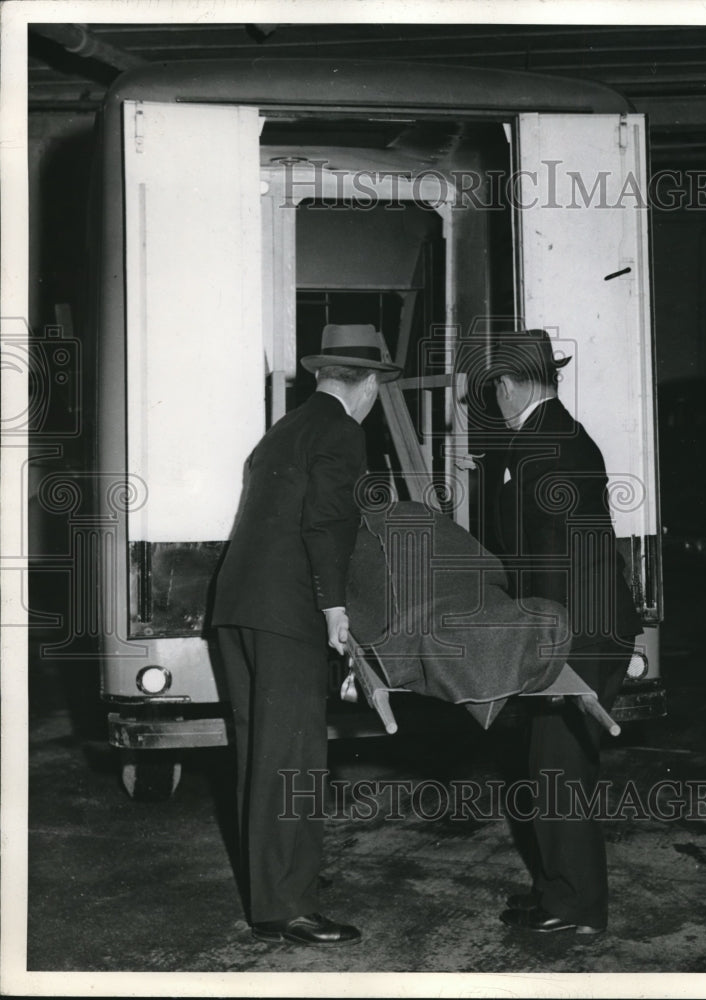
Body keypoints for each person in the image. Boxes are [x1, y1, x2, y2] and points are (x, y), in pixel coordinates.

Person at [211, 323, 401, 945]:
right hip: (288, 614)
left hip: (237, 610)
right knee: (293, 760)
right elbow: (326, 523)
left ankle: (271, 900)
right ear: (369, 384)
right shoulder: (342, 432)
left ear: (323, 376)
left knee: (261, 758)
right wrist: (335, 609)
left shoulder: (281, 432)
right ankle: (289, 906)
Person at [484, 329, 643, 937]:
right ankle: (557, 889)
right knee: (549, 763)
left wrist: (550, 649)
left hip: (576, 630)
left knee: (560, 768)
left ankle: (576, 907)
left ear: (507, 385)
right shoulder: (551, 433)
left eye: (493, 387)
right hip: (580, 622)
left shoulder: (542, 445)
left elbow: (551, 556)